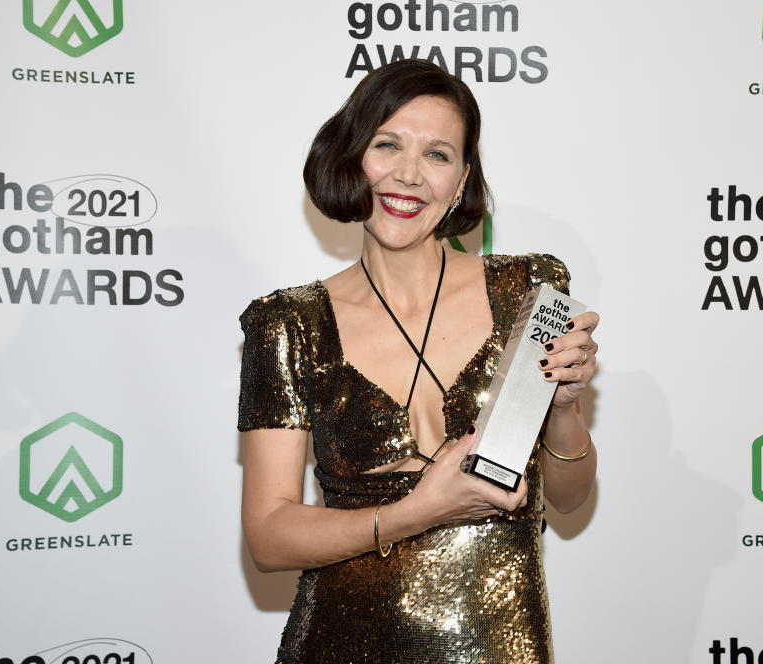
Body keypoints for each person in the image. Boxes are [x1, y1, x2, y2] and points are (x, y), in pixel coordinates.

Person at [238, 59, 599, 663]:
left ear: (462, 180)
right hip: (339, 644)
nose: (408, 175)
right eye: (387, 145)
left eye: (438, 155)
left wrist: (564, 406)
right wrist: (417, 511)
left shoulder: (529, 290)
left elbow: (567, 498)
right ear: (353, 158)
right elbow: (269, 537)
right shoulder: (289, 322)